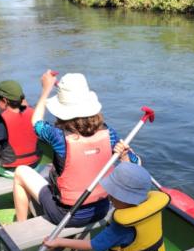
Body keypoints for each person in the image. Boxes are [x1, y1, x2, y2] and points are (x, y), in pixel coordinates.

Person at [12, 70, 140, 227]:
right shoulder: (109, 133)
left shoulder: (57, 136)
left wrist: (45, 90)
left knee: (20, 172)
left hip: (66, 215)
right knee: (56, 167)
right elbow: (136, 164)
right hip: (102, 208)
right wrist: (125, 157)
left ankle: (21, 226)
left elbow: (36, 122)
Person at [43, 162, 170, 251]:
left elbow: (91, 245)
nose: (109, 197)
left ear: (125, 198)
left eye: (113, 194)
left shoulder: (122, 226)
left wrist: (59, 241)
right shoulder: (150, 209)